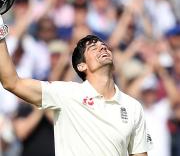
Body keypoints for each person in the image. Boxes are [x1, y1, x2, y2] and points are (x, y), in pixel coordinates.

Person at [0, 15, 152, 156]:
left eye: (104, 45)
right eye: (93, 48)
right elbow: (12, 82)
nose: (102, 47)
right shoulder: (67, 93)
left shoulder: (133, 107)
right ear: (81, 66)